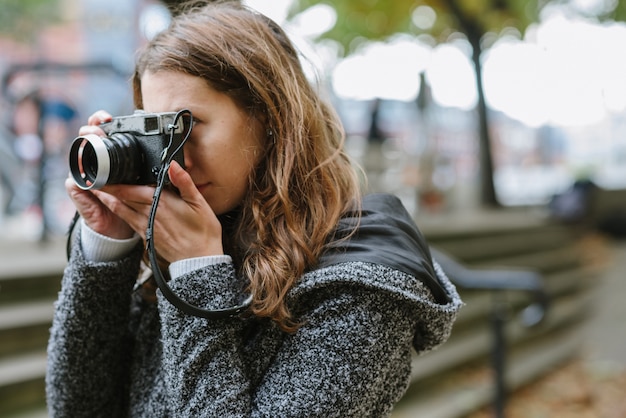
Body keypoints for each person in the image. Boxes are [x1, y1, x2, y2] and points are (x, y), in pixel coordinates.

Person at [46, 1, 462, 417]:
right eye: (158, 131)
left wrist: (196, 273)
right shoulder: (187, 232)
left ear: (269, 116)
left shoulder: (365, 284)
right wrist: (107, 246)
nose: (176, 159)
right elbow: (76, 408)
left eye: (187, 125)